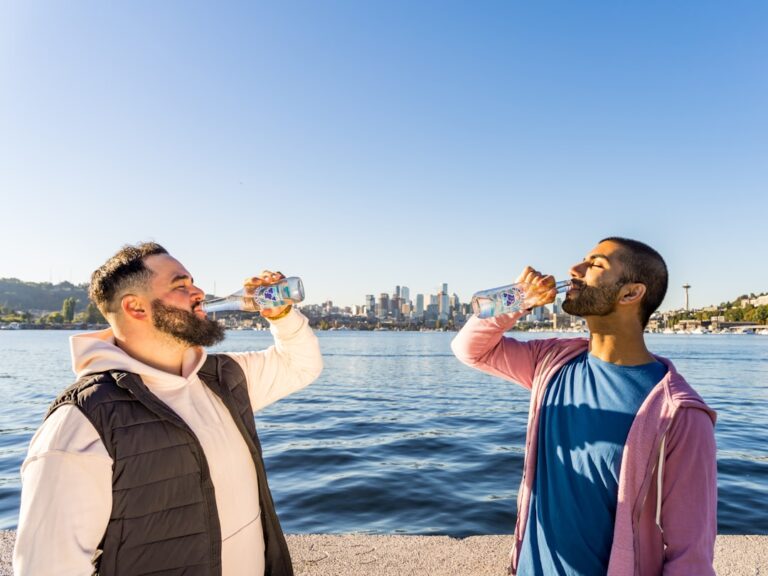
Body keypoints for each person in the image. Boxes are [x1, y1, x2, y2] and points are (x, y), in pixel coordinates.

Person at [14, 242, 323, 576]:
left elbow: (300, 365)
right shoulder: (81, 422)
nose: (199, 293)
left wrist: (281, 315)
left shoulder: (223, 378)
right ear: (136, 307)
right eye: (181, 286)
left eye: (193, 282)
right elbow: (47, 567)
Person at [451, 237, 717, 576]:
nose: (574, 270)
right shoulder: (552, 361)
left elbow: (691, 559)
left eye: (595, 265)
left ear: (630, 293)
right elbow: (469, 349)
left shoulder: (680, 414)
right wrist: (519, 298)